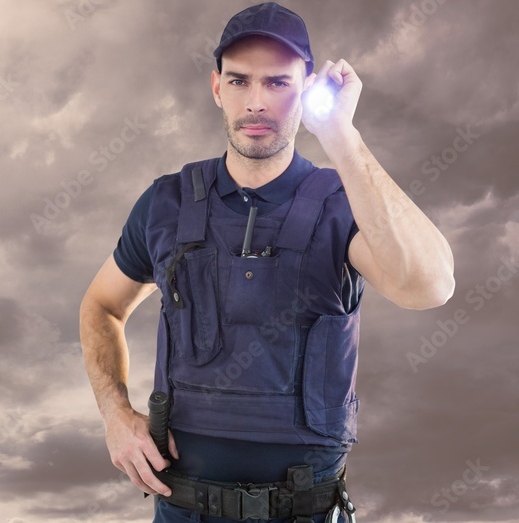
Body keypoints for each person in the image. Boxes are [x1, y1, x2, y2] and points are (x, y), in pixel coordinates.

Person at [78, 3, 455, 522]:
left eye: (278, 83)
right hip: (184, 507)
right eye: (239, 81)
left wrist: (342, 136)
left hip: (306, 510)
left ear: (306, 90)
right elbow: (102, 305)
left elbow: (430, 287)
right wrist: (115, 414)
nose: (256, 102)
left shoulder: (345, 203)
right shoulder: (166, 202)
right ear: (216, 88)